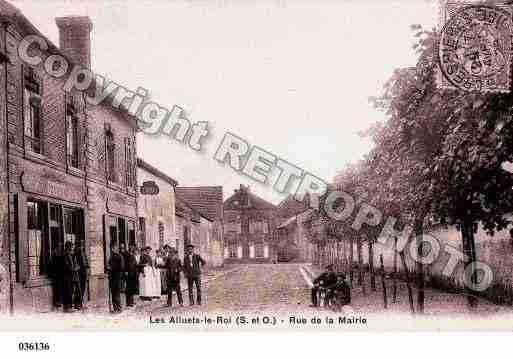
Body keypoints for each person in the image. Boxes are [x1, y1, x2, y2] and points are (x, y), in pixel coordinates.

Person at [62, 241, 80, 313]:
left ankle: (69, 306)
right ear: (67, 248)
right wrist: (74, 269)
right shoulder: (65, 256)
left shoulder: (71, 256)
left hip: (71, 276)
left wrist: (76, 267)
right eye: (70, 248)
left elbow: (72, 265)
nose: (72, 249)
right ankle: (67, 307)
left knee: (70, 291)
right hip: (66, 277)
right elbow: (67, 267)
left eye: (72, 248)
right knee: (67, 291)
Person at [107, 241, 125, 313]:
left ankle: (119, 308)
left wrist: (112, 268)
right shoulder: (111, 256)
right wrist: (108, 268)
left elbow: (121, 267)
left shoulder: (119, 256)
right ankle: (115, 308)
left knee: (116, 293)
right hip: (111, 277)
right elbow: (109, 265)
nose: (113, 249)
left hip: (116, 277)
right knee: (113, 293)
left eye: (114, 248)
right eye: (112, 248)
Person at [74, 242, 89, 310]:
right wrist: (77, 267)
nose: (81, 247)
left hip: (84, 273)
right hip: (79, 274)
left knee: (82, 289)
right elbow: (74, 264)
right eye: (80, 246)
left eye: (82, 246)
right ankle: (77, 304)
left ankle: (81, 303)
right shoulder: (76, 254)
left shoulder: (84, 253)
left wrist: (87, 267)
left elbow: (86, 262)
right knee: (78, 289)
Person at [48, 243, 64, 309]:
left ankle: (59, 302)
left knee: (59, 288)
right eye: (59, 246)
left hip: (59, 274)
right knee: (57, 289)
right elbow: (51, 264)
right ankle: (57, 303)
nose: (60, 248)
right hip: (56, 274)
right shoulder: (54, 254)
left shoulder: (59, 253)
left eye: (60, 247)